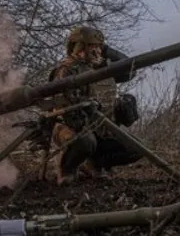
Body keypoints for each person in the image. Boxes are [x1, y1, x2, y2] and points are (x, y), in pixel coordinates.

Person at [48, 25, 141, 185]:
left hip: (101, 127)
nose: (96, 50)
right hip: (71, 127)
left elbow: (130, 69)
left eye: (99, 47)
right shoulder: (67, 70)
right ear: (79, 47)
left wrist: (106, 50)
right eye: (92, 46)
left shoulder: (102, 68)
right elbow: (65, 107)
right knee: (85, 142)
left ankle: (95, 165)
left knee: (135, 148)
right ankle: (66, 171)